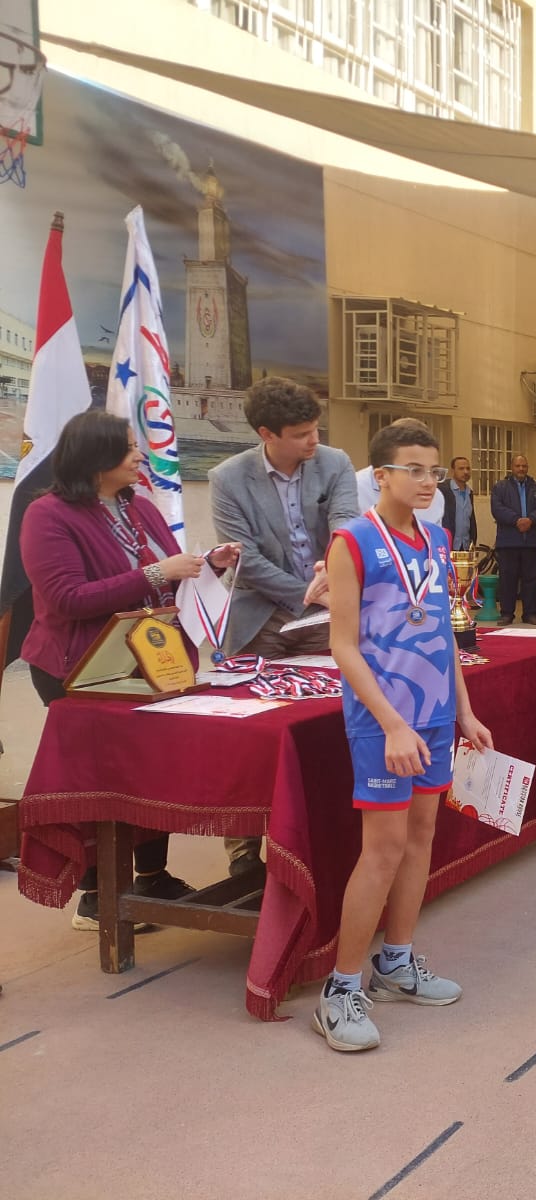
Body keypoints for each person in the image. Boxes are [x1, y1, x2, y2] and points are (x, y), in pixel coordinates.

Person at [20, 411, 240, 930]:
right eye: (128, 446)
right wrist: (158, 571)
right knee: (100, 778)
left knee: (150, 770)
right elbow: (67, 598)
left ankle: (152, 878)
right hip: (81, 667)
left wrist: (206, 564)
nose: (140, 454)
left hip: (150, 659)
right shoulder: (46, 515)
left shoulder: (139, 505)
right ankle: (95, 894)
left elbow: (165, 578)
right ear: (95, 457)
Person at [313, 422, 492, 1052]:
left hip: (436, 714)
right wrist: (391, 722)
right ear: (380, 475)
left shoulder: (437, 539)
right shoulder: (353, 542)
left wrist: (464, 710)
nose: (426, 481)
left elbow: (442, 631)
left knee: (420, 840)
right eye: (413, 469)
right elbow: (343, 646)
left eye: (433, 471)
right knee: (383, 850)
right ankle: (340, 989)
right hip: (383, 720)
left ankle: (396, 962)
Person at [211, 375, 358, 876]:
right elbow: (244, 561)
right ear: (266, 434)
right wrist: (305, 593)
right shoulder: (228, 479)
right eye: (301, 434)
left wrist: (333, 570)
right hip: (261, 616)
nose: (314, 440)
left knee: (333, 718)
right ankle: (242, 848)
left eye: (316, 429)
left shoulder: (334, 463)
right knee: (252, 733)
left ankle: (325, 828)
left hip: (329, 609)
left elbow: (345, 522)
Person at [490, 455, 536, 625]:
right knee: (508, 579)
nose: (521, 469)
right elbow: (497, 509)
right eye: (518, 466)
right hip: (508, 542)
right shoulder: (500, 487)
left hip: (532, 542)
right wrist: (516, 520)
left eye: (524, 466)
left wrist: (530, 520)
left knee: (531, 579)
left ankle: (529, 614)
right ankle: (507, 614)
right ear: (512, 467)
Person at [354, 419, 445, 524]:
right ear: (381, 476)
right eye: (415, 471)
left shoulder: (436, 498)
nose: (430, 483)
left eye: (434, 472)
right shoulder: (354, 489)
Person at [442, 456, 478, 553]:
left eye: (468, 468)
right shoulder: (444, 490)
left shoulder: (469, 493)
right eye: (461, 469)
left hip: (465, 546)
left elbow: (471, 519)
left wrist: (473, 540)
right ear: (453, 471)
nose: (465, 472)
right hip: (448, 545)